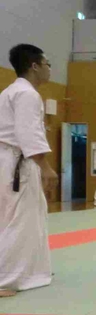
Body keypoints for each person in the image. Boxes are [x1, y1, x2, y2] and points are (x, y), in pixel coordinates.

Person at [0, 44, 58, 298]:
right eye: (47, 64)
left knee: (24, 217)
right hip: (17, 164)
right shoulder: (26, 94)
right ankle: (5, 279)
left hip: (11, 161)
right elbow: (27, 133)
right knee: (19, 220)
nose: (49, 69)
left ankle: (30, 271)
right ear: (34, 66)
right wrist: (45, 167)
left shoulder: (10, 92)